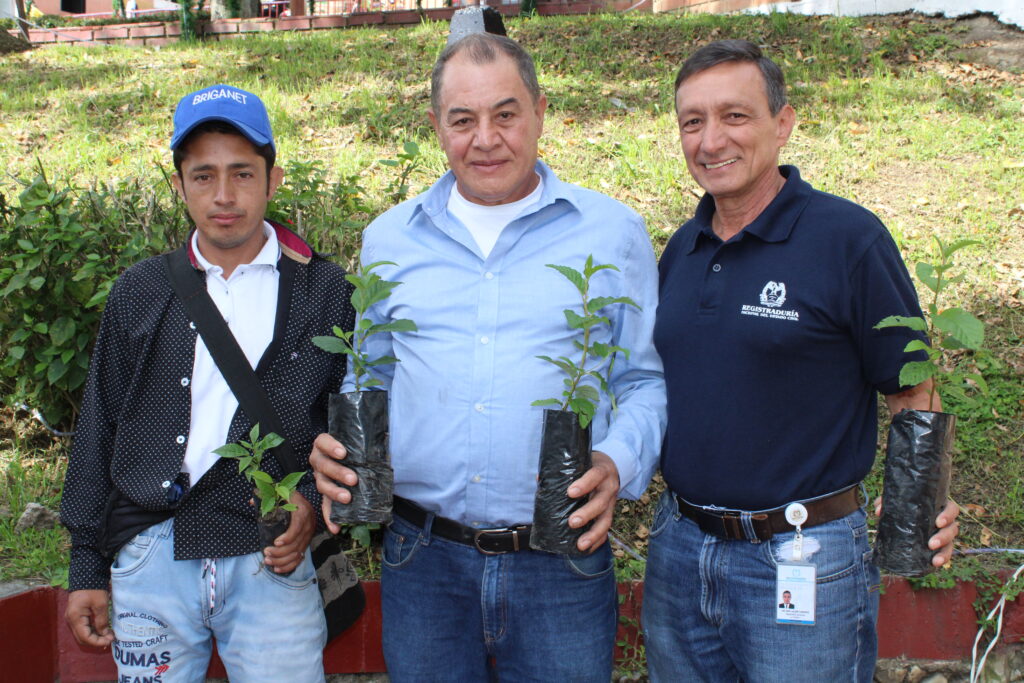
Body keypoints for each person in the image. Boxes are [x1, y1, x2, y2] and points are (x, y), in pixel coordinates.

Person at [310, 33, 665, 681]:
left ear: (539, 112)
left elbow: (644, 380)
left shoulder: (613, 233)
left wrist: (618, 460)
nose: (486, 138)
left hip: (560, 558)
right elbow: (370, 374)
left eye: (505, 114)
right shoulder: (391, 237)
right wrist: (344, 456)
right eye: (463, 120)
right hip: (424, 560)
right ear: (436, 127)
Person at [643, 40, 959, 683]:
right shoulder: (683, 248)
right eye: (692, 121)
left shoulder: (848, 240)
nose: (710, 141)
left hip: (801, 556)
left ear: (782, 123)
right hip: (680, 551)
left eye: (735, 116)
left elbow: (911, 389)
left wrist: (927, 500)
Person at [60, 84, 354, 682]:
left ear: (273, 181)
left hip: (274, 557)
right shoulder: (139, 292)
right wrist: (87, 568)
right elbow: (99, 427)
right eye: (203, 176)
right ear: (179, 186)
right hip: (151, 556)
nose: (224, 197)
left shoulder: (326, 292)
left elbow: (352, 428)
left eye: (243, 174)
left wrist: (317, 507)